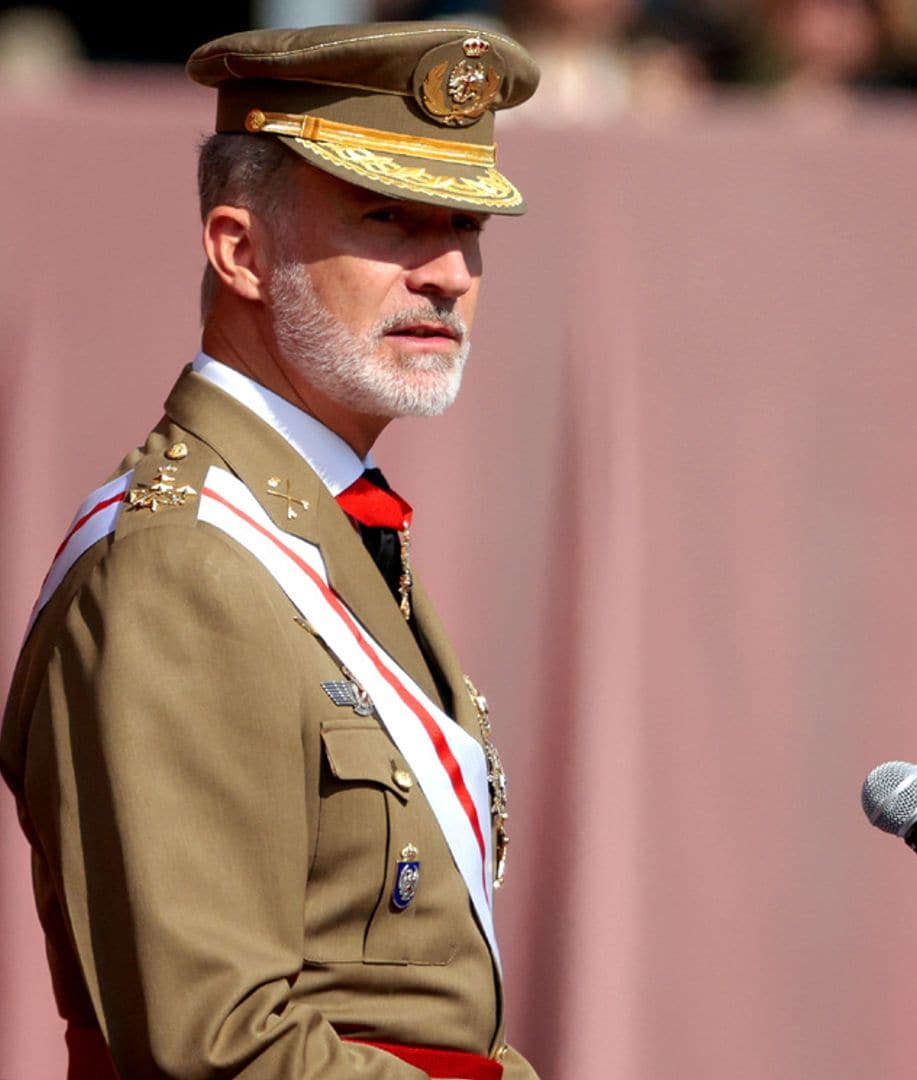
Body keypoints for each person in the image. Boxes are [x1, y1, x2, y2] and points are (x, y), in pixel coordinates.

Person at [0, 21, 540, 1080]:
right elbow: (217, 1050)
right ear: (240, 251)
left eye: (466, 223)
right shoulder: (179, 568)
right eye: (387, 218)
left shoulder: (320, 521)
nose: (445, 271)